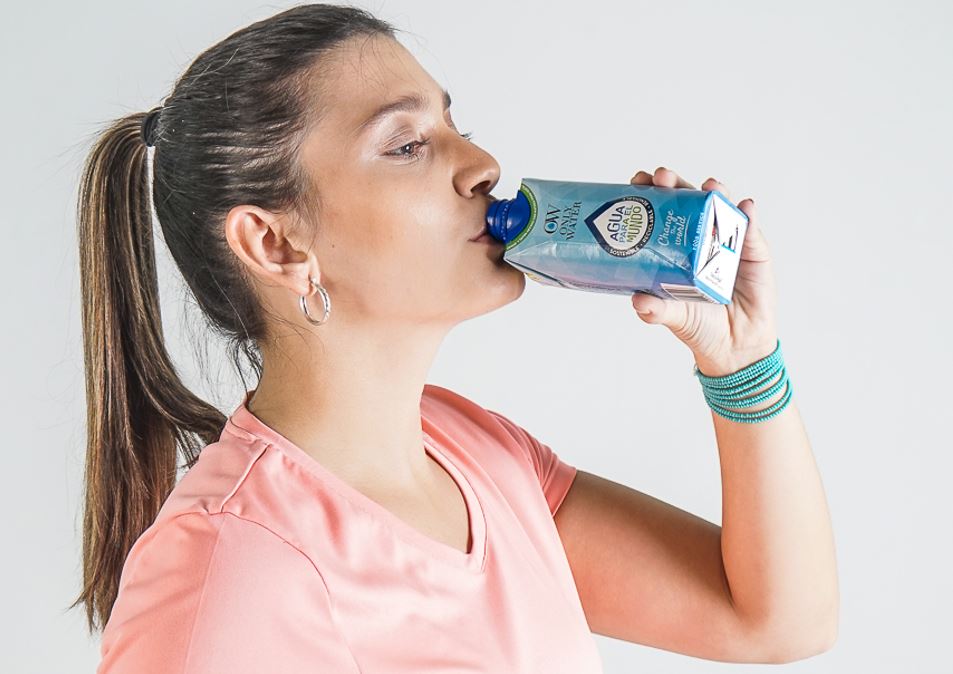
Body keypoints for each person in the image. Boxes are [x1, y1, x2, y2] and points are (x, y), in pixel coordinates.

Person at [72, 3, 838, 672]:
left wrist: (739, 359)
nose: (482, 165)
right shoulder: (231, 565)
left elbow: (775, 622)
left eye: (453, 125)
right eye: (406, 145)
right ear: (275, 246)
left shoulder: (474, 451)